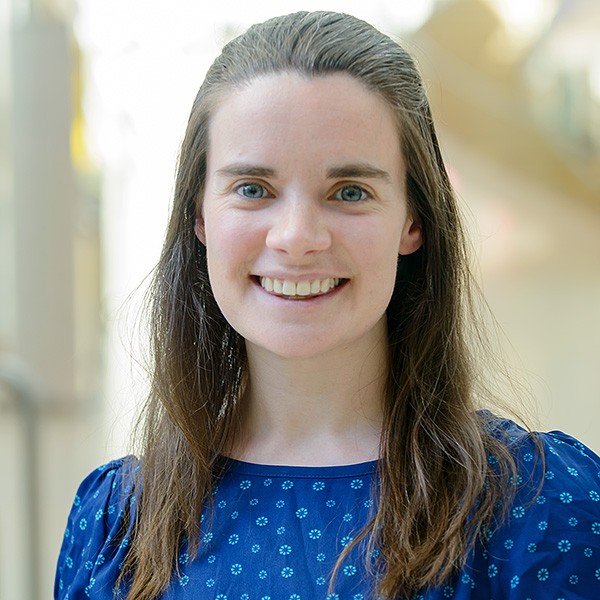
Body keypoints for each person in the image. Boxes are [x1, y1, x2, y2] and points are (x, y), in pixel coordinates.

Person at [55, 11, 600, 600]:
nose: (296, 236)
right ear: (200, 215)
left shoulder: (539, 509)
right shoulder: (117, 523)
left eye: (349, 192)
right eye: (253, 189)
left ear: (412, 220)